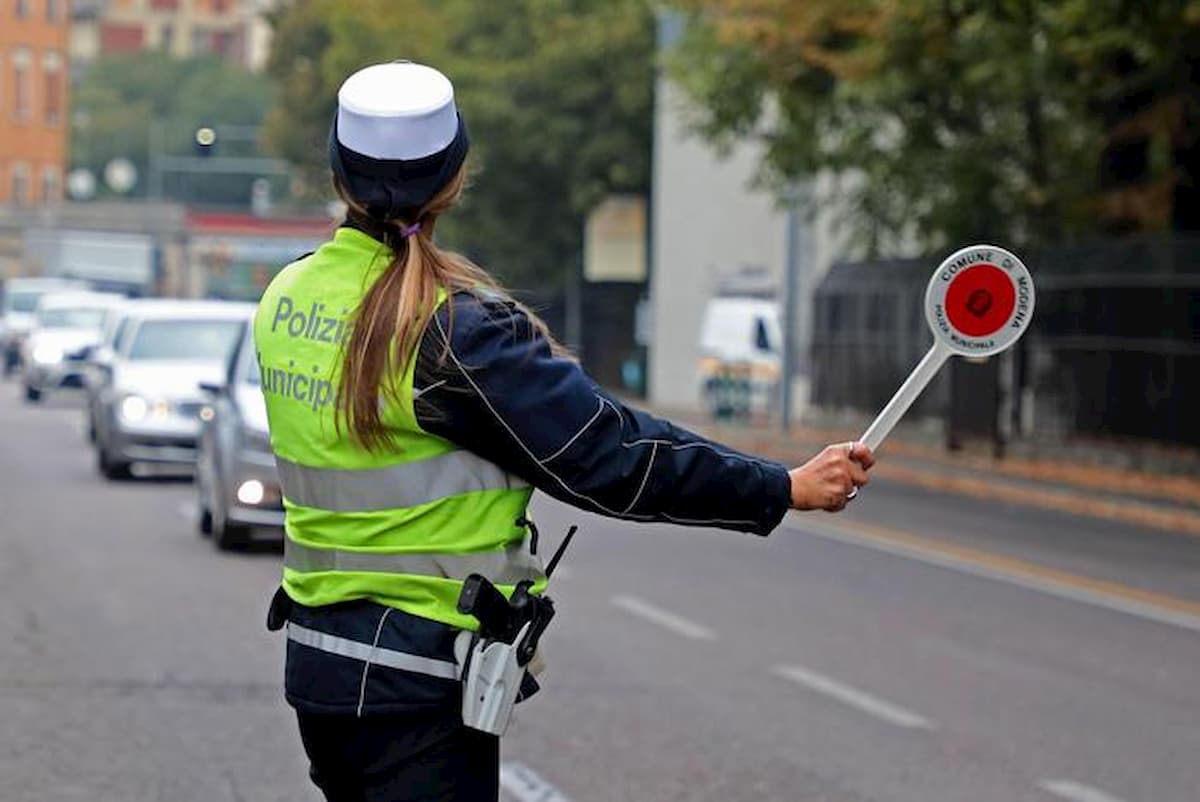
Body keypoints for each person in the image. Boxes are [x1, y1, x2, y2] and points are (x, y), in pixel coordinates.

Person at [254, 61, 875, 802]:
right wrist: (780, 488)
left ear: (337, 174)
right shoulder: (453, 332)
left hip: (319, 672)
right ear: (454, 178)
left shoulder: (286, 296)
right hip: (415, 687)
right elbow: (609, 456)